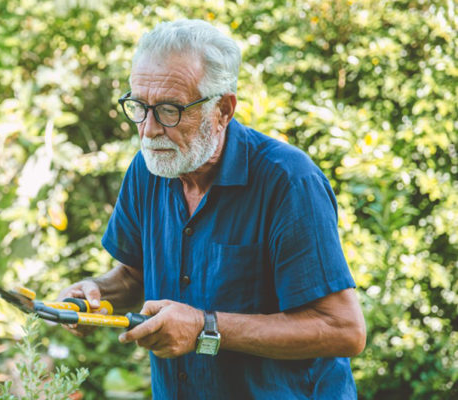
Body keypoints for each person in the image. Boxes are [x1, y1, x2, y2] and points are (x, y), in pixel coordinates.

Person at [56, 19, 366, 399]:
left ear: (223, 109)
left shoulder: (288, 181)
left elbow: (344, 330)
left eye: (169, 110)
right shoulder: (148, 169)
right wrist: (94, 297)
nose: (149, 129)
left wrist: (206, 328)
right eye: (139, 106)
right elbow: (132, 277)